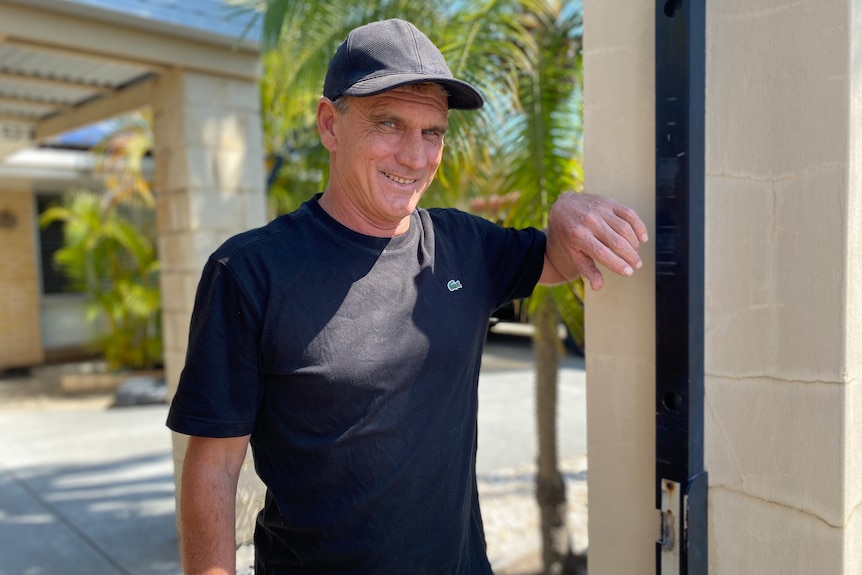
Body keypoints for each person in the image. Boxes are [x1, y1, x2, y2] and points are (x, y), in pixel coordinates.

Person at [167, 18, 648, 575]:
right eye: (389, 124)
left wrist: (569, 208)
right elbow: (215, 466)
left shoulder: (465, 247)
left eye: (432, 132)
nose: (416, 158)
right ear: (330, 123)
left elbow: (561, 256)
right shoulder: (249, 272)